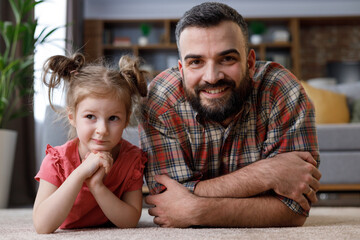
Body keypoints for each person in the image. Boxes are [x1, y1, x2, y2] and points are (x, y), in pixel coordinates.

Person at [139, 2, 322, 228]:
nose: (212, 77)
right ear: (181, 69)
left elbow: (295, 209)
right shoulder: (160, 100)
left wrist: (197, 210)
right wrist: (265, 174)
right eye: (196, 62)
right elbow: (166, 201)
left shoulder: (281, 90)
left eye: (227, 59)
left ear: (250, 62)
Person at [33, 53, 148, 233]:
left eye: (113, 118)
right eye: (90, 117)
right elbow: (42, 225)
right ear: (72, 116)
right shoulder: (57, 160)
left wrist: (97, 186)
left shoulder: (132, 159)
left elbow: (131, 221)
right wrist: (80, 173)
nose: (102, 129)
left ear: (126, 120)